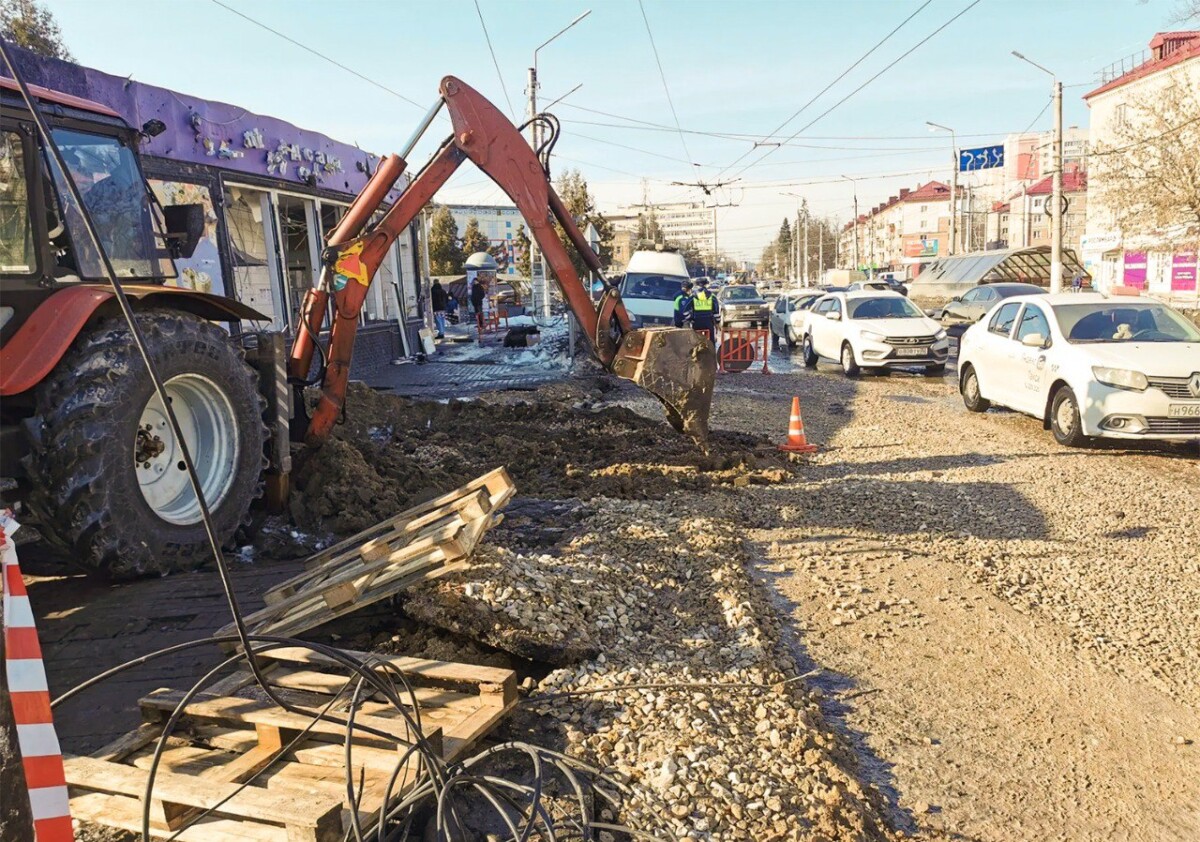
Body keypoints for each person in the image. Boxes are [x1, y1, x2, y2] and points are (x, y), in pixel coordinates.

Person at [691, 277, 719, 344]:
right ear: (706, 284)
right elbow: (716, 311)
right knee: (710, 339)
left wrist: (690, 320)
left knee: (696, 339)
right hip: (708, 321)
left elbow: (688, 309)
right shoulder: (712, 296)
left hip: (696, 321)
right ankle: (711, 349)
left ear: (696, 285)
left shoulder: (693, 296)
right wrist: (717, 323)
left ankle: (696, 349)